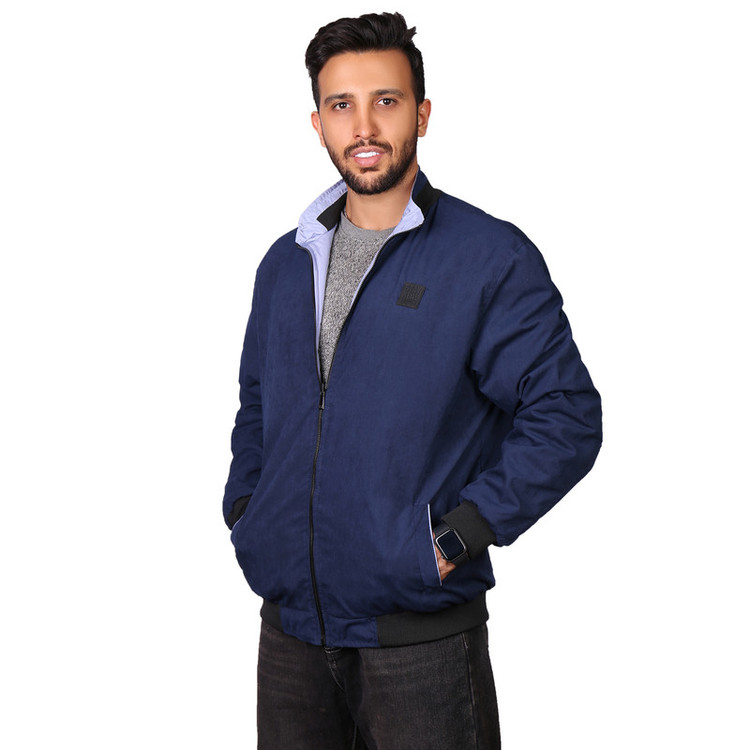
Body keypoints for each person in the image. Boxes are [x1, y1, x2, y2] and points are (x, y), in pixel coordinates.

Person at [223, 11, 602, 749]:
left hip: (420, 645)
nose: (364, 126)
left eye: (386, 101)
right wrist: (249, 509)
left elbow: (565, 414)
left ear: (422, 114)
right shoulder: (285, 263)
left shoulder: (486, 258)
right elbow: (258, 405)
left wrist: (458, 536)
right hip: (291, 637)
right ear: (318, 123)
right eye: (342, 105)